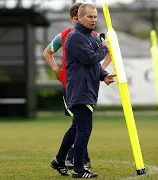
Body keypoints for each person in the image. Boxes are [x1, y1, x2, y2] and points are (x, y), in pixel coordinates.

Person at [50, 3, 116, 178]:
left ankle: (59, 160)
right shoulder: (75, 37)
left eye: (95, 17)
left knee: (76, 128)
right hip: (80, 90)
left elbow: (92, 64)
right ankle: (79, 169)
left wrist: (104, 75)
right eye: (89, 16)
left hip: (86, 89)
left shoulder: (88, 36)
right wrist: (104, 47)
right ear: (79, 18)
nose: (93, 20)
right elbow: (91, 58)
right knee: (84, 129)